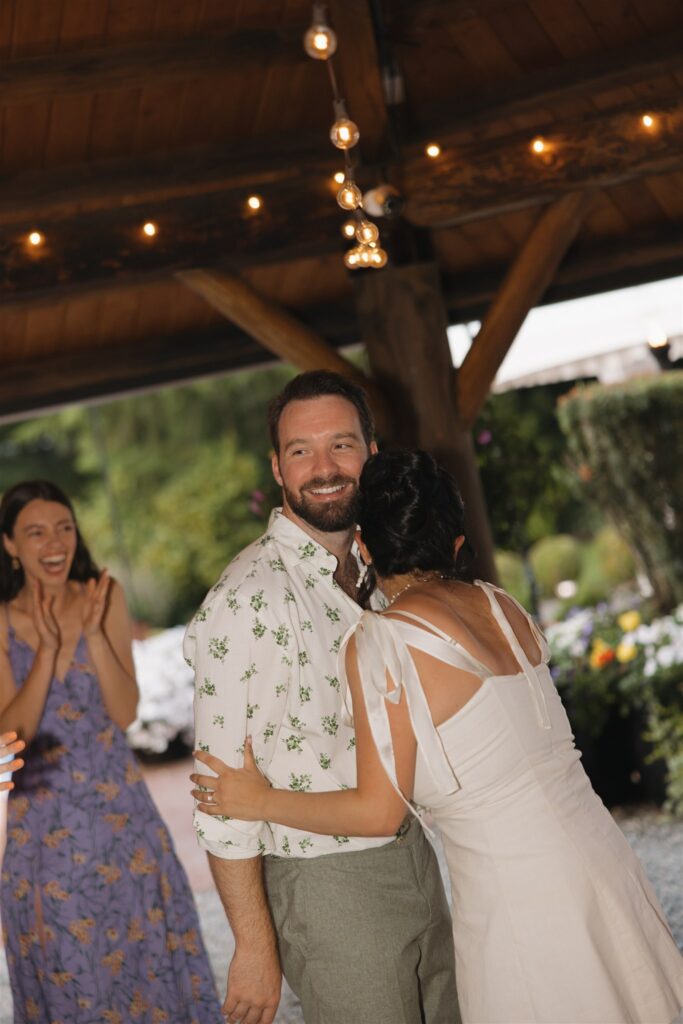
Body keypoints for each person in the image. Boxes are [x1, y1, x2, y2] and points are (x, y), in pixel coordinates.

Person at [193, 450, 683, 1024]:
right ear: (455, 543)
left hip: (519, 898)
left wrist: (258, 800)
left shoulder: (382, 641)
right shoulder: (504, 606)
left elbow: (378, 811)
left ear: (368, 549)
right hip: (603, 860)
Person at [184, 373, 458, 1024]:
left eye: (341, 444)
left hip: (416, 856)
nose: (325, 468)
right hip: (325, 884)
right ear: (277, 468)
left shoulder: (382, 573)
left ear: (372, 450)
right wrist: (254, 946)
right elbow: (219, 799)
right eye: (301, 451)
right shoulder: (244, 600)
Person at [0, 480, 222, 1024]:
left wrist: (95, 636)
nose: (55, 543)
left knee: (150, 962)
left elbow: (124, 712)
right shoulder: (1, 620)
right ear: (10, 545)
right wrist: (49, 653)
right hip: (44, 837)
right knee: (76, 977)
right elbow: (11, 736)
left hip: (124, 819)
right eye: (36, 532)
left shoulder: (106, 593)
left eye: (64, 527)